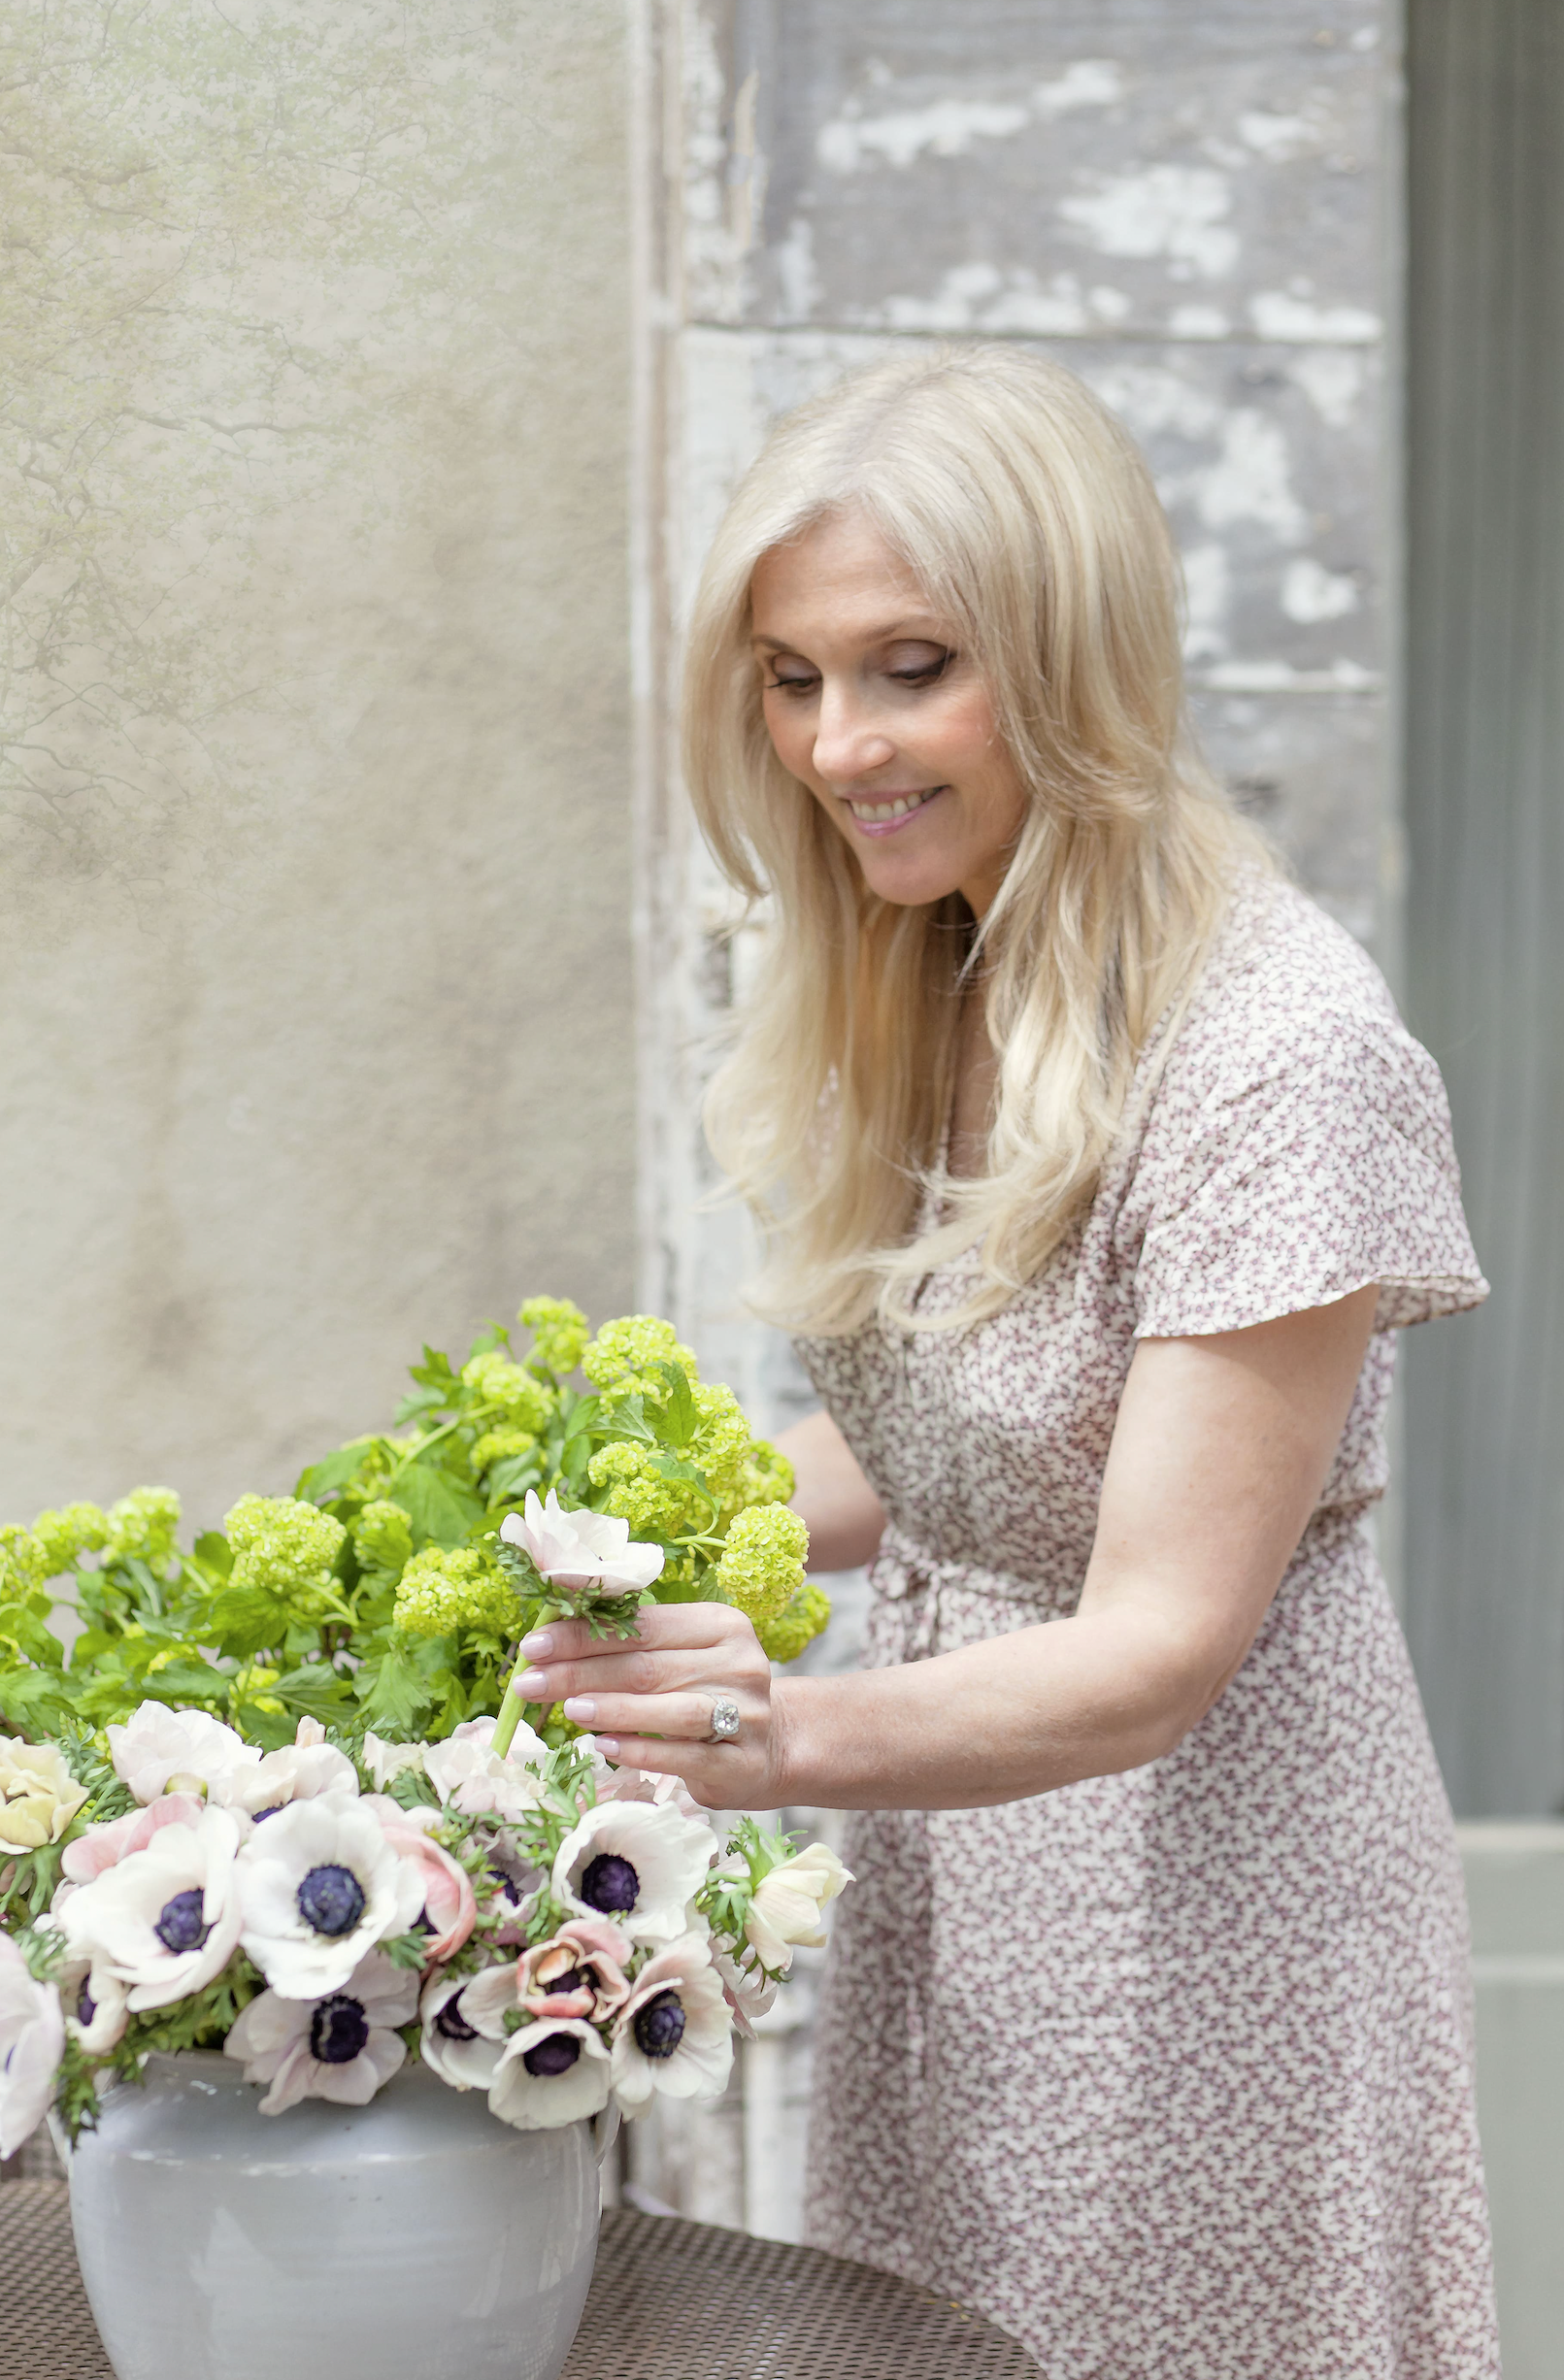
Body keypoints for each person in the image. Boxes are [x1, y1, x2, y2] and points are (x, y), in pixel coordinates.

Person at [511, 348, 1500, 2377]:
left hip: (1207, 1921)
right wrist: (594, 1561)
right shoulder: (934, 960)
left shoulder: (1273, 1053)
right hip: (959, 1880)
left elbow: (1150, 1639)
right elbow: (961, 1445)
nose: (835, 740)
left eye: (908, 665)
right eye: (790, 678)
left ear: (1069, 659)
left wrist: (749, 1734)